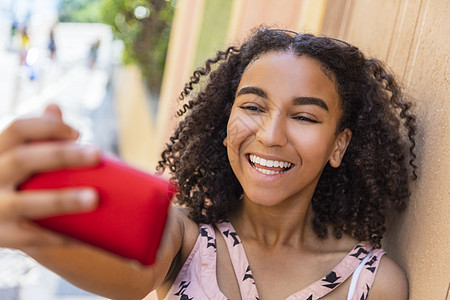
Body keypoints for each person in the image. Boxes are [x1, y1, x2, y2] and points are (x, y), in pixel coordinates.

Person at [0, 27, 416, 299]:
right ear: (226, 120)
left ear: (338, 145)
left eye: (304, 116)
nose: (271, 135)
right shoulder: (186, 237)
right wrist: (33, 236)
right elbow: (133, 273)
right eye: (253, 106)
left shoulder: (373, 284)